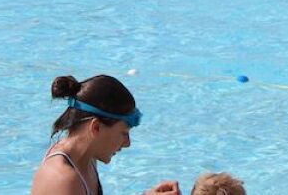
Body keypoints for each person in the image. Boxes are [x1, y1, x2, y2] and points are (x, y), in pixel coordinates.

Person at [31, 74, 180, 195]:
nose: (128, 143)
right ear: (95, 127)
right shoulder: (62, 180)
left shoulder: (86, 156)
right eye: (123, 133)